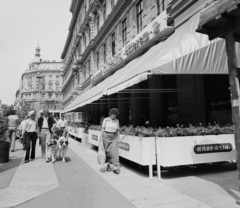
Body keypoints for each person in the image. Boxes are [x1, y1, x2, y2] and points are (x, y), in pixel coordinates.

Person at [100, 108, 120, 174]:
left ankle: (115, 167)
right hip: (106, 137)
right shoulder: (106, 120)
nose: (115, 116)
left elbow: (117, 130)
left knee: (115, 153)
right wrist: (101, 137)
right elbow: (102, 129)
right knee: (107, 152)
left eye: (116, 115)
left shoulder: (117, 121)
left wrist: (118, 138)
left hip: (113, 137)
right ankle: (108, 165)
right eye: (114, 115)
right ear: (110, 114)